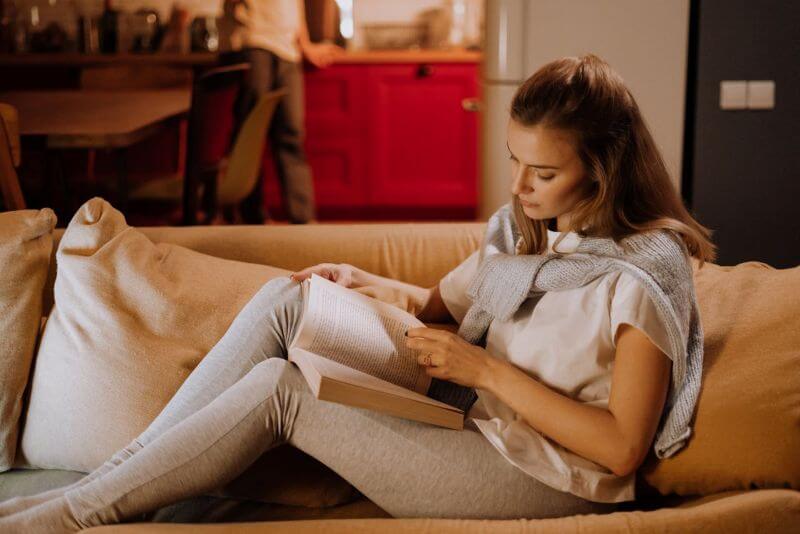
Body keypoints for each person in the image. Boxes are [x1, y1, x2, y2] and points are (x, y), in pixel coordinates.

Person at [0, 54, 716, 531]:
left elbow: (622, 448)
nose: (520, 189)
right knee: (290, 302)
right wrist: (363, 283)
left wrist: (485, 369)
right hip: (467, 411)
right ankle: (113, 481)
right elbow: (439, 308)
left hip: (547, 474)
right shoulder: (527, 229)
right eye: (514, 162)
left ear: (603, 169)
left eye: (544, 173)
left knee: (282, 390)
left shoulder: (641, 275)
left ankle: (76, 513)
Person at [219, 0, 343, 224]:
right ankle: (250, 219)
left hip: (288, 50)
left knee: (292, 134)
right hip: (253, 41)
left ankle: (304, 220)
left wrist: (304, 45)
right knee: (251, 135)